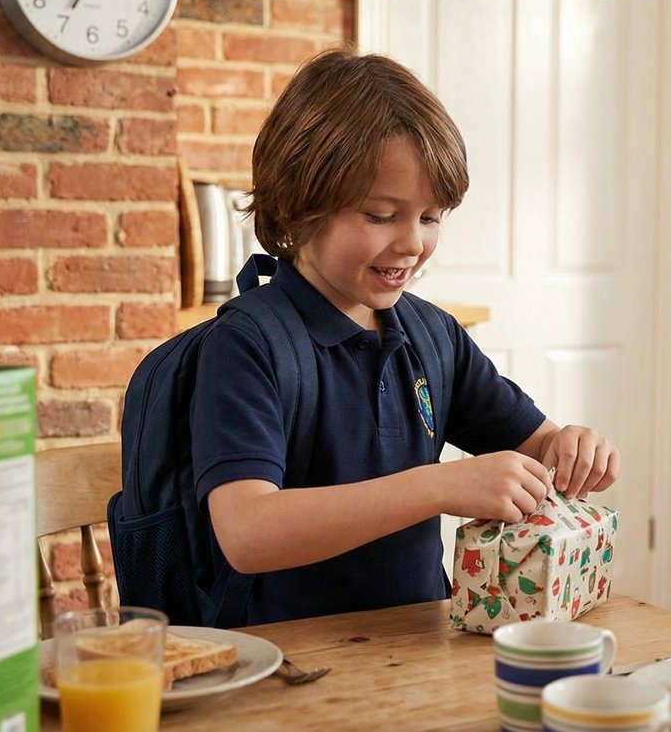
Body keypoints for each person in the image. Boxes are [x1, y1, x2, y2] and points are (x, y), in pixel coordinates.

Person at [190, 49, 620, 626]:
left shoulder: (432, 336)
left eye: (430, 216)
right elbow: (247, 533)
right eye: (380, 215)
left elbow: (539, 446)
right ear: (297, 207)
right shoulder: (247, 345)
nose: (412, 243)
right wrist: (437, 486)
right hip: (289, 664)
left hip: (420, 649)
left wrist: (571, 448)